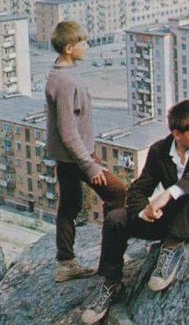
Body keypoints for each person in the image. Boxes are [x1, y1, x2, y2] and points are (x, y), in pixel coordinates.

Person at [82, 99, 189, 324]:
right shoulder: (159, 150)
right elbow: (139, 188)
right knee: (115, 218)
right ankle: (111, 283)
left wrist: (168, 194)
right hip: (180, 218)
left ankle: (172, 246)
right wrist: (143, 212)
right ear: (177, 134)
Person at [45, 21, 127, 283]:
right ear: (69, 48)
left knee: (69, 206)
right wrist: (89, 164)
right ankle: (110, 262)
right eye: (83, 42)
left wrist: (90, 155)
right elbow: (68, 132)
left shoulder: (61, 74)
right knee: (117, 192)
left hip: (70, 156)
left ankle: (66, 263)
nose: (88, 46)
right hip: (76, 157)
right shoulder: (65, 81)